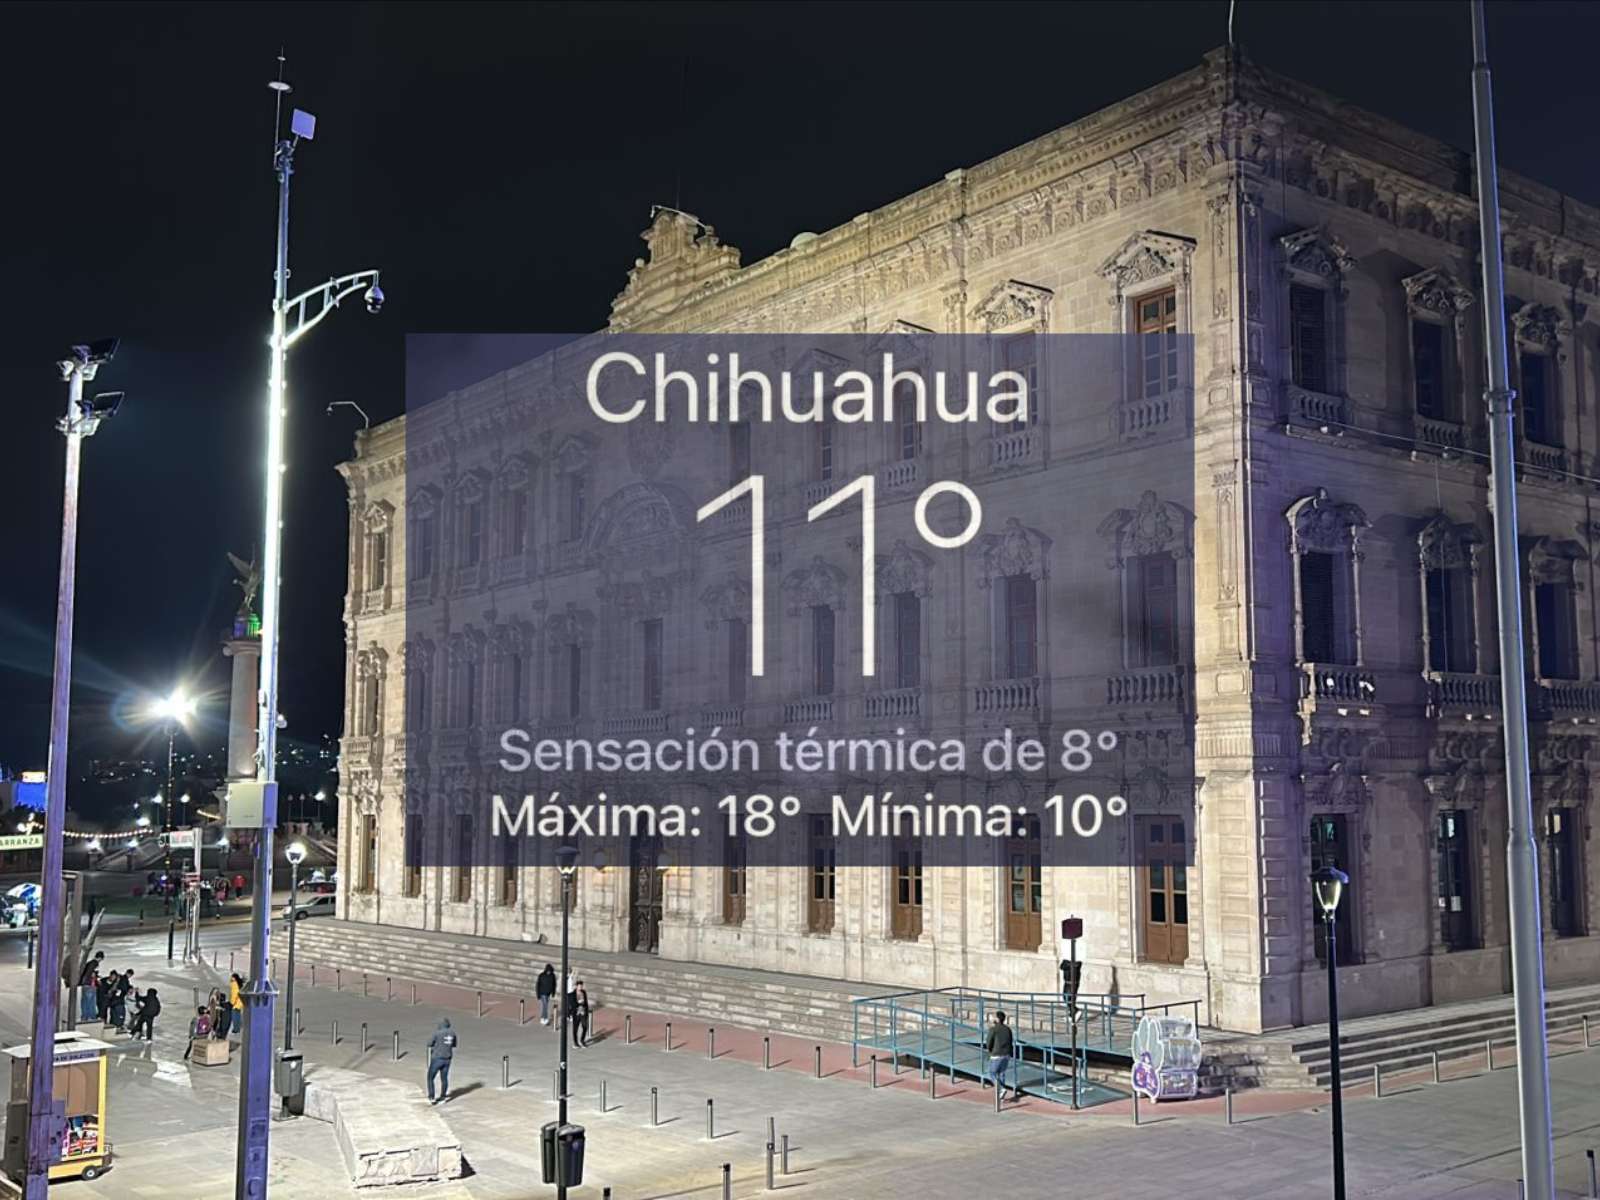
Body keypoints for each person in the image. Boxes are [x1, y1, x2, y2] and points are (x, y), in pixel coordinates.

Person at [984, 1010, 1018, 1102]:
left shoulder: (993, 1029)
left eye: (994, 1017)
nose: (992, 1018)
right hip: (1006, 1055)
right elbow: (1010, 1041)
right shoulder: (1008, 1029)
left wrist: (990, 1050)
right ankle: (1001, 1096)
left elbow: (988, 1043)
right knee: (1002, 1073)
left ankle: (1001, 1089)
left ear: (997, 1019)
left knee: (992, 1073)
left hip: (996, 1055)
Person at [425, 1018, 458, 1104]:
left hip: (437, 1058)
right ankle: (443, 1097)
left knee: (430, 1078)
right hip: (447, 1059)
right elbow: (454, 1045)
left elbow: (429, 1043)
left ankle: (432, 1097)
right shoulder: (452, 1033)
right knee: (444, 1078)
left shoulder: (437, 1033)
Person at [78, 951, 104, 1021]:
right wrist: (96, 980)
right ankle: (91, 1017)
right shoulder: (94, 963)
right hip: (90, 985)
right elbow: (90, 974)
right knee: (90, 1002)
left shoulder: (89, 963)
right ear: (100, 958)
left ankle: (84, 1017)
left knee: (85, 1001)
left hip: (85, 985)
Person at [571, 980, 591, 1048]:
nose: (580, 987)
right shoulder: (573, 993)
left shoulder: (583, 992)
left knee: (585, 1026)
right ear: (576, 986)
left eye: (581, 986)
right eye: (579, 986)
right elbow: (572, 1003)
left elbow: (586, 1002)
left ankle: (582, 1040)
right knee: (575, 1029)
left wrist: (586, 1011)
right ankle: (575, 1043)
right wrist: (578, 1003)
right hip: (576, 1013)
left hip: (583, 1012)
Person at [226, 973, 244, 1039]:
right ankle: (238, 1028)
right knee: (238, 1015)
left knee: (235, 1016)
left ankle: (236, 1029)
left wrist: (232, 1003)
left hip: (236, 1003)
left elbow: (234, 994)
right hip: (240, 1002)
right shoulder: (239, 983)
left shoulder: (234, 984)